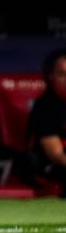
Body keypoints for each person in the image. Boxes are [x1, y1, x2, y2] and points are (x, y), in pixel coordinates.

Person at [27, 48, 66, 196]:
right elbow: (57, 156)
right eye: (62, 74)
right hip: (50, 167)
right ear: (50, 76)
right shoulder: (45, 107)